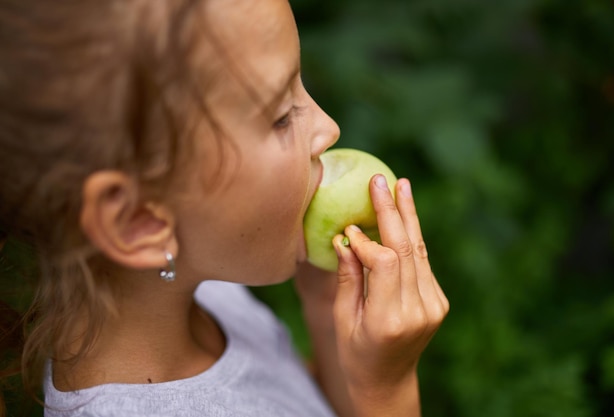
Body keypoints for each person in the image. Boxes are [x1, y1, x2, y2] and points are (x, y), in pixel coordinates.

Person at [0, 0, 449, 415]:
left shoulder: (197, 286)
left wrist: (323, 307)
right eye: (279, 116)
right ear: (140, 220)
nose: (328, 128)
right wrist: (385, 393)